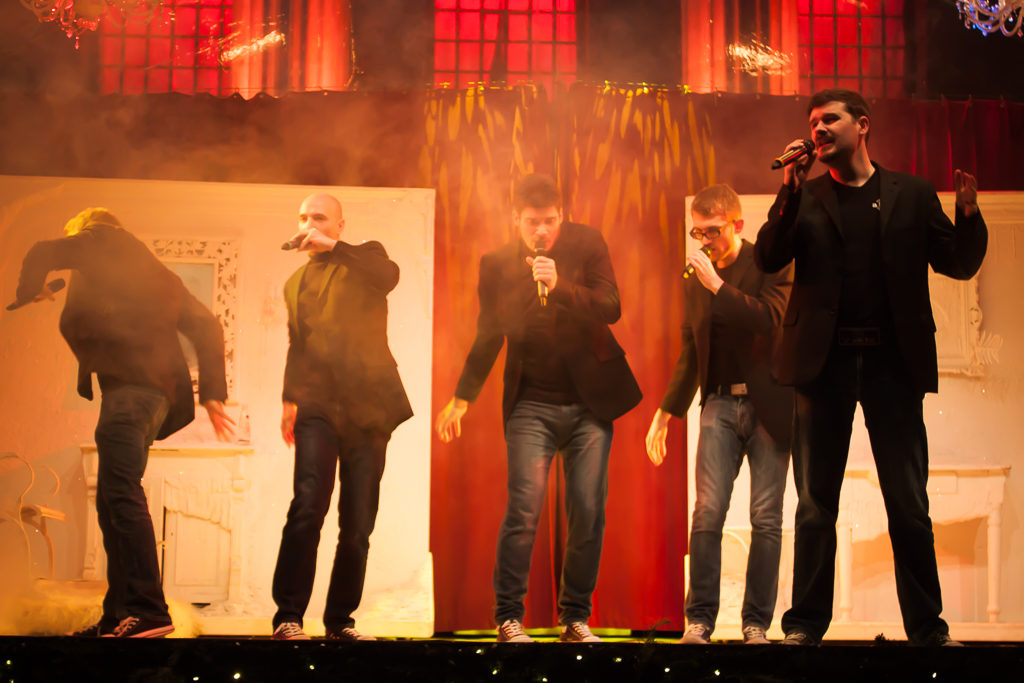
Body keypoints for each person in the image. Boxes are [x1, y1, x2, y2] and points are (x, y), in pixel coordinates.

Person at [754, 89, 987, 647]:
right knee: (814, 506)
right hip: (823, 367)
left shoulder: (911, 194)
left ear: (862, 126)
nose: (818, 129)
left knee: (908, 503)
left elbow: (958, 261)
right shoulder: (804, 196)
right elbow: (767, 257)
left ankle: (927, 629)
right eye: (812, 122)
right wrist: (787, 190)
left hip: (891, 365)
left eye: (829, 119)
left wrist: (970, 214)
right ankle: (805, 626)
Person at [435, 173, 642, 643]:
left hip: (589, 403)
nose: (541, 231)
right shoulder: (497, 263)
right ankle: (508, 617)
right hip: (532, 403)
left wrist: (560, 283)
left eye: (549, 221)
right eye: (532, 223)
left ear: (561, 216)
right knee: (524, 509)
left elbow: (611, 306)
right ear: (516, 219)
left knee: (588, 510)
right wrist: (462, 397)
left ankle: (576, 618)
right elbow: (488, 334)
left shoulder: (587, 244)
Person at [12, 207, 234, 638]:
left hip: (132, 389)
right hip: (150, 395)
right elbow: (207, 324)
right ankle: (118, 616)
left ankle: (149, 610)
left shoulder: (101, 240)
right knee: (113, 500)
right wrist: (211, 392)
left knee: (120, 494)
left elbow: (42, 250)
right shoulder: (161, 275)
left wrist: (31, 288)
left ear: (85, 229)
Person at [646, 184, 793, 645]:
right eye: (698, 232)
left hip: (769, 403)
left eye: (713, 231)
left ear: (737, 225)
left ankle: (755, 625)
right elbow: (691, 349)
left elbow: (769, 317)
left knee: (765, 516)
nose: (704, 241)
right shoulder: (695, 277)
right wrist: (666, 412)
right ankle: (700, 621)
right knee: (707, 512)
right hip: (719, 405)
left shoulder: (771, 261)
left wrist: (718, 285)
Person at [270, 192, 412, 641]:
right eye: (302, 217)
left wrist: (335, 250)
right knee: (307, 506)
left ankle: (340, 622)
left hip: (368, 406)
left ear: (339, 225)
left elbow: (388, 277)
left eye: (319, 217)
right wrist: (290, 399)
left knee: (357, 522)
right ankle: (288, 616)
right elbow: (299, 344)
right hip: (317, 406)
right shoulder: (294, 283)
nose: (308, 224)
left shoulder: (366, 257)